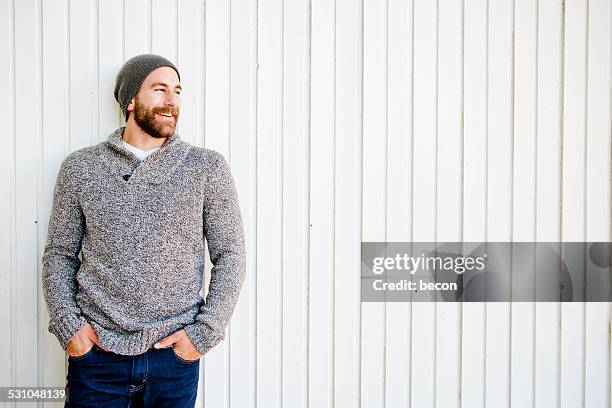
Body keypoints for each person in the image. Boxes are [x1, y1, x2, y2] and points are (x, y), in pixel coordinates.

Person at [41, 53, 246, 407]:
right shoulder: (80, 168)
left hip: (173, 358)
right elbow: (59, 255)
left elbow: (231, 255)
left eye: (178, 91)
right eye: (160, 89)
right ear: (130, 100)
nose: (172, 101)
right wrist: (69, 328)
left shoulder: (206, 167)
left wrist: (203, 334)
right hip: (97, 358)